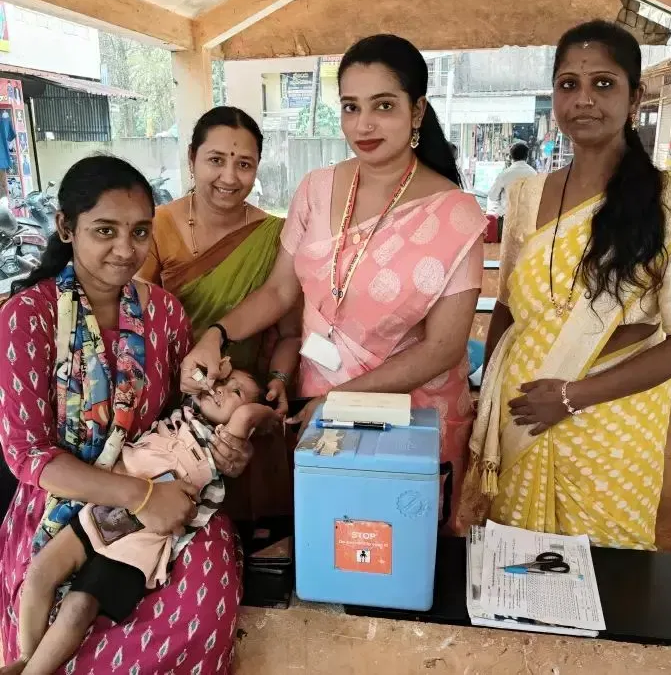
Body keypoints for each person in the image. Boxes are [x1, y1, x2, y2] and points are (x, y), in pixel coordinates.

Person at [181, 34, 486, 529]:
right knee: (329, 536)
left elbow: (444, 348)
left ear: (416, 111)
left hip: (411, 417)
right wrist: (216, 335)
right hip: (315, 402)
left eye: (383, 105)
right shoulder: (316, 188)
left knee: (397, 546)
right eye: (350, 106)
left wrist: (341, 400)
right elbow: (279, 291)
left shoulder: (455, 214)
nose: (363, 124)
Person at [0, 156, 268, 673]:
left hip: (165, 484)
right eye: (105, 230)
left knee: (201, 605)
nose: (126, 250)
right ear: (66, 227)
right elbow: (27, 455)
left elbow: (185, 415)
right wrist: (140, 497)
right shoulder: (28, 317)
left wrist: (228, 447)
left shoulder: (164, 313)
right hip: (65, 498)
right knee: (56, 620)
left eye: (140, 232)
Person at [467, 21, 671, 549]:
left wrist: (572, 397)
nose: (583, 99)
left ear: (635, 97)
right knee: (516, 567)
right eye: (568, 85)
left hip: (610, 425)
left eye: (603, 83)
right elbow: (507, 307)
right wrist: (486, 400)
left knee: (607, 573)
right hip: (522, 414)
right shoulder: (527, 196)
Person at [1, 365, 275, 675]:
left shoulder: (223, 444)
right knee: (40, 571)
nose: (221, 389)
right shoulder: (185, 411)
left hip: (141, 538)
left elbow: (245, 416)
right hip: (110, 507)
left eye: (236, 391)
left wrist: (268, 412)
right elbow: (201, 376)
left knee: (78, 608)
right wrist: (214, 377)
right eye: (223, 382)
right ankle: (26, 658)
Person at [138, 106, 300, 416]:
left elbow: (290, 333)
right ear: (191, 158)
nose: (229, 177)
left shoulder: (274, 236)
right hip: (163, 399)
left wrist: (279, 379)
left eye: (244, 164)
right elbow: (134, 322)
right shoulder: (155, 228)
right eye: (216, 160)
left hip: (239, 403)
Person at [487, 141, 536, 240]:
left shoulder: (505, 174)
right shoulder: (533, 174)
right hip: (527, 221)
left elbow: (492, 196)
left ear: (511, 157)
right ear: (527, 156)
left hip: (507, 220)